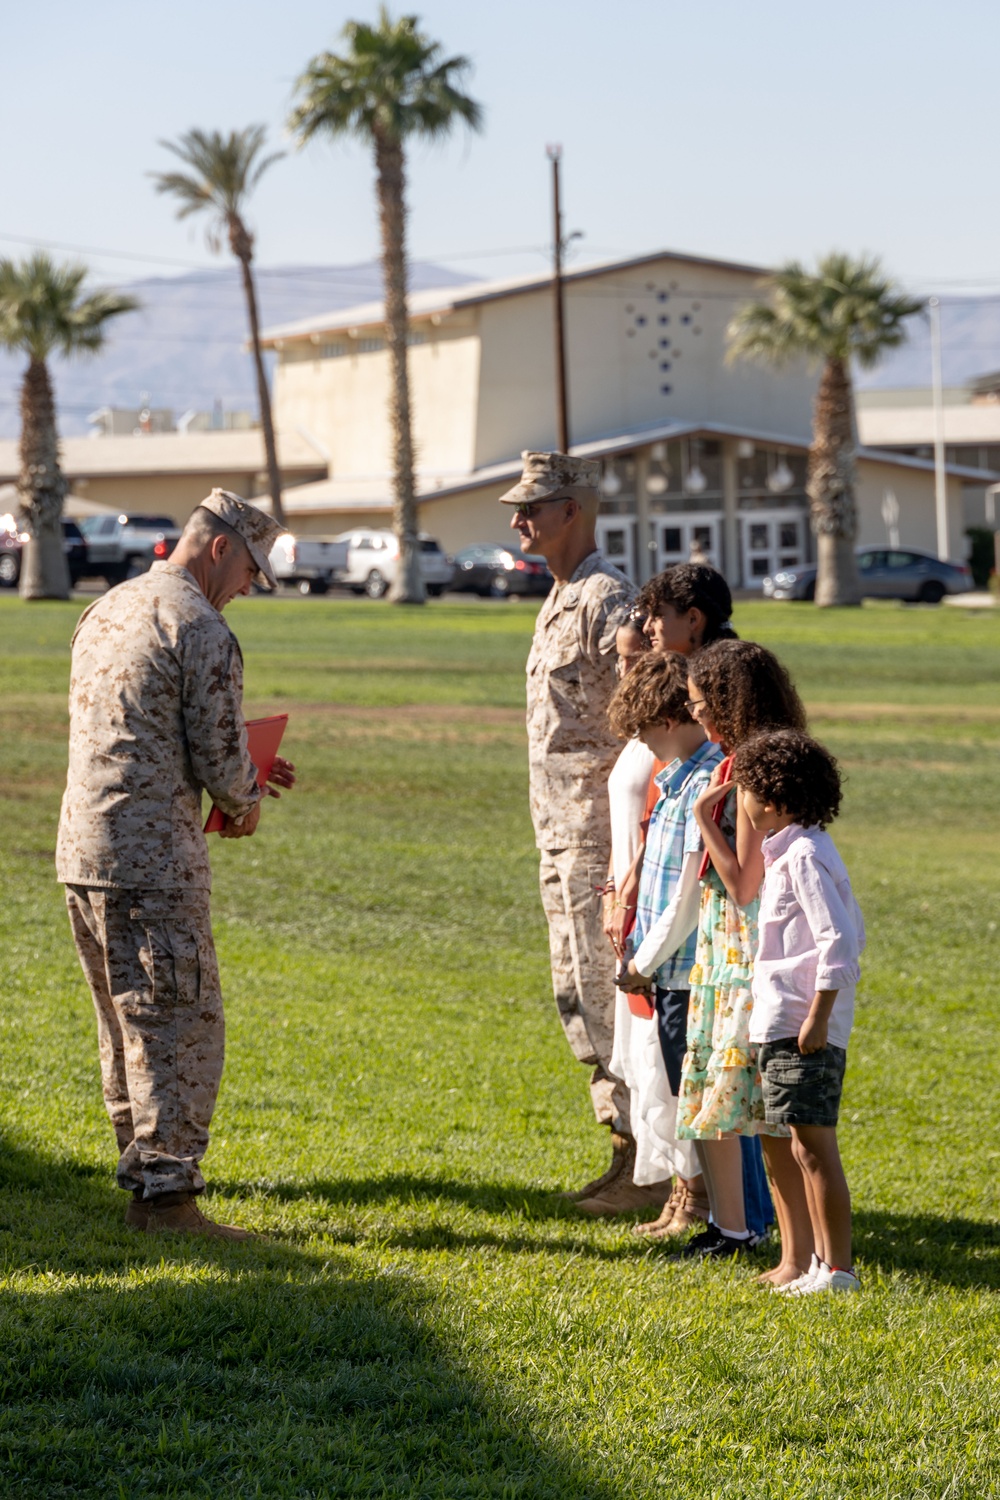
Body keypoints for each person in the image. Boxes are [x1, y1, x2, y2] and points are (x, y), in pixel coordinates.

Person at [56, 489, 295, 1240]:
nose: (252, 586)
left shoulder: (110, 608)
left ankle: (140, 1182)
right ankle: (168, 1205)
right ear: (221, 547)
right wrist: (245, 794)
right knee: (178, 1025)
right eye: (252, 568)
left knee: (123, 1022)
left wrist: (244, 772)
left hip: (84, 850)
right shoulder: (201, 626)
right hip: (153, 860)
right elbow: (223, 763)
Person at [501, 450, 638, 1199]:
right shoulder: (559, 598)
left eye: (534, 505)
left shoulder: (607, 600)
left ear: (573, 511)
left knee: (607, 991)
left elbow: (649, 720)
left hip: (599, 836)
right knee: (578, 992)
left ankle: (651, 1160)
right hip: (558, 833)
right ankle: (625, 1151)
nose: (520, 519)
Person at [676, 639, 808, 1261]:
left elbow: (746, 882)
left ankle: (754, 1232)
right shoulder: (747, 758)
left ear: (732, 702)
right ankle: (733, 1227)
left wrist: (704, 817)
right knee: (723, 1089)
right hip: (722, 940)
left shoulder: (752, 770)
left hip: (744, 944)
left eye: (703, 704)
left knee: (745, 1091)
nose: (695, 714)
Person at [731, 729, 865, 1294]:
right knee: (797, 1144)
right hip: (779, 1021)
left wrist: (817, 1015)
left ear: (778, 799)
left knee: (814, 1147)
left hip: (802, 1026)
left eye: (748, 790)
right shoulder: (786, 850)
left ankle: (839, 1269)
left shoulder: (806, 855)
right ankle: (815, 1266)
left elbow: (839, 941)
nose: (742, 799)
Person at [606, 652, 721, 1233]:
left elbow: (687, 895)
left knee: (688, 1090)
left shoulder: (704, 779)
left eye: (645, 732)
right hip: (658, 961)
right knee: (669, 1079)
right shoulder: (678, 777)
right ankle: (686, 1195)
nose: (643, 745)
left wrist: (642, 961)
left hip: (680, 965)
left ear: (672, 721)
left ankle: (704, 1204)